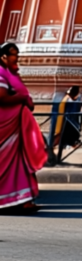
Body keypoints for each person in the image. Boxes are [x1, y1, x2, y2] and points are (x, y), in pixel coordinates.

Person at [0, 42, 48, 213]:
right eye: (13, 54)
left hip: (15, 125)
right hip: (5, 126)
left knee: (20, 162)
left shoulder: (9, 74)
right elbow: (2, 98)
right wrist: (22, 99)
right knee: (6, 162)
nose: (16, 57)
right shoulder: (0, 73)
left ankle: (22, 200)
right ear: (3, 56)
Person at [51, 84, 82, 162]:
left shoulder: (66, 99)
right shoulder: (70, 100)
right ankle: (55, 152)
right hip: (66, 121)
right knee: (60, 137)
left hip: (64, 120)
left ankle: (57, 153)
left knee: (61, 137)